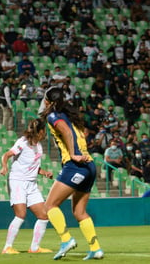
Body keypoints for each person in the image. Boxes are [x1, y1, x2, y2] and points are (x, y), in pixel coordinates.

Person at [40, 87, 104, 260]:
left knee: (50, 206)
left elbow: (67, 132)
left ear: (48, 101)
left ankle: (66, 239)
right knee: (79, 212)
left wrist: (73, 154)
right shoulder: (70, 116)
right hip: (89, 165)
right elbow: (80, 134)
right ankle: (95, 249)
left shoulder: (53, 116)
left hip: (75, 164)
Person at [0, 118, 53, 254]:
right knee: (20, 214)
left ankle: (34, 248)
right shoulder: (22, 143)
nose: (45, 133)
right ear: (40, 132)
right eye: (44, 130)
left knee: (43, 215)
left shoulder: (38, 146)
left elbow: (33, 166)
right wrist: (4, 167)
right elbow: (6, 155)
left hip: (32, 184)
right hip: (18, 181)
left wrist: (44, 172)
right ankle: (7, 247)